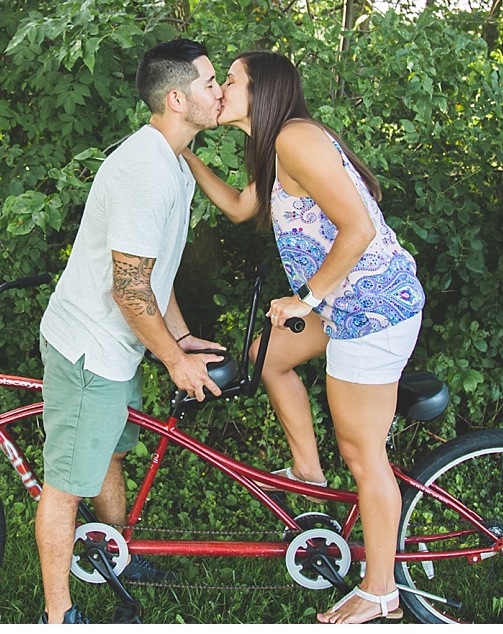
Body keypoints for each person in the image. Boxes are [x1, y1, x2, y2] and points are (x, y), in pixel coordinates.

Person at [182, 51, 425, 624]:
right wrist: (186, 156)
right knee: (266, 358)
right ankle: (308, 475)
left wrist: (307, 298)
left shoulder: (295, 139)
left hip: (372, 308)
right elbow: (244, 208)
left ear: (261, 91)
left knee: (364, 455)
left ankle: (381, 590)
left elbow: (360, 227)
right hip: (344, 300)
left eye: (231, 82)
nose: (221, 91)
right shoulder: (270, 146)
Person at [36, 38, 228, 624]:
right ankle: (59, 614)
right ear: (177, 98)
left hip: (122, 345)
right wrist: (174, 360)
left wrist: (181, 334)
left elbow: (152, 270)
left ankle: (114, 557)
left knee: (110, 454)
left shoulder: (174, 163)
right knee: (67, 484)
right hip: (89, 349)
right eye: (209, 83)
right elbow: (128, 289)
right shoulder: (143, 171)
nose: (219, 92)